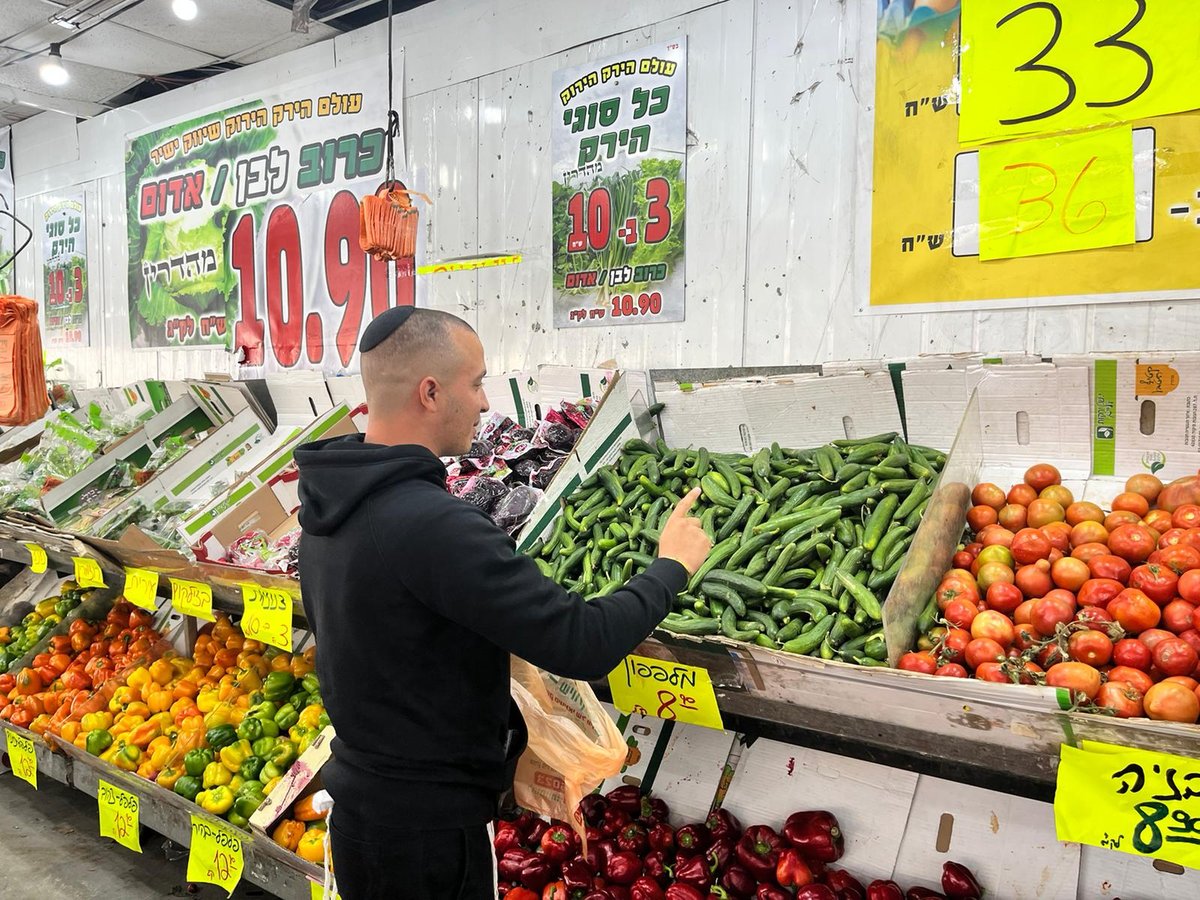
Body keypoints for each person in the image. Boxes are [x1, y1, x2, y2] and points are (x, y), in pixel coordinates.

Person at [295, 307, 712, 900]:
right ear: (431, 392)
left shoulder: (326, 509)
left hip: (363, 814)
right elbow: (582, 644)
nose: (487, 403)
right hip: (428, 838)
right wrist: (671, 566)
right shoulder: (432, 523)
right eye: (477, 382)